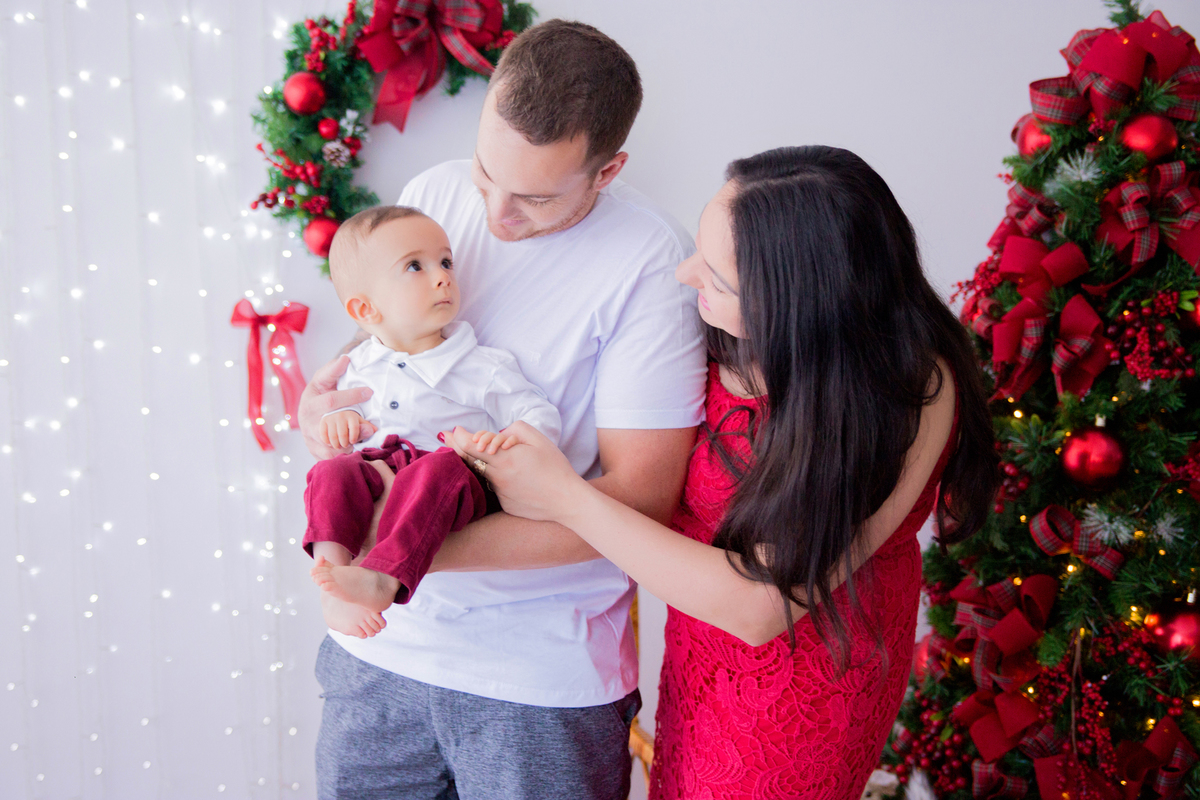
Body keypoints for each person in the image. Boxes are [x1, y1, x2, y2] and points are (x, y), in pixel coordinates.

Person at [444, 146, 999, 799]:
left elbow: (760, 605)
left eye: (715, 276)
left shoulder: (906, 388)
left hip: (804, 701)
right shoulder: (727, 333)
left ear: (800, 307)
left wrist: (567, 498)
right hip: (701, 663)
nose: (684, 275)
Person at [297, 20, 707, 800]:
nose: (494, 215)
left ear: (607, 170)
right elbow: (385, 347)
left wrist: (401, 548)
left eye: (535, 196)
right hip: (377, 661)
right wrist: (326, 406)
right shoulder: (435, 191)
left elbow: (643, 497)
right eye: (488, 173)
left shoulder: (651, 265)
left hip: (537, 679)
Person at [301, 205, 561, 639]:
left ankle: (385, 579)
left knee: (436, 469)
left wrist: (501, 443)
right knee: (330, 471)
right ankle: (332, 576)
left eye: (445, 262)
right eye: (415, 267)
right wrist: (341, 421)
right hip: (384, 469)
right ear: (366, 309)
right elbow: (342, 421)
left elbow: (538, 416)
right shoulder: (356, 364)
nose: (443, 276)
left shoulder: (479, 365)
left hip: (455, 479)